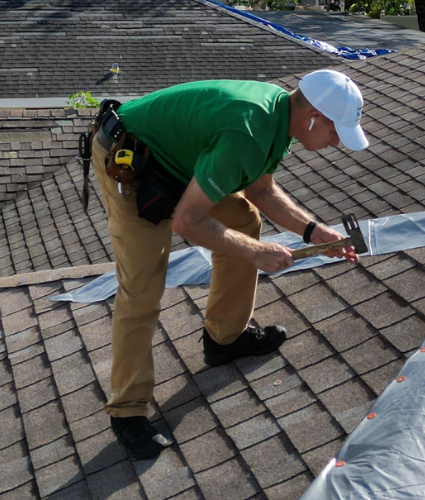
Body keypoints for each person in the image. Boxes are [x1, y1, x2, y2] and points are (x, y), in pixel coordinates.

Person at [86, 69, 369, 459]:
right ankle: (127, 412)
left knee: (244, 219)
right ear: (313, 118)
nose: (337, 142)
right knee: (143, 285)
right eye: (336, 132)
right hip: (133, 159)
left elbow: (261, 189)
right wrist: (255, 252)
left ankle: (226, 338)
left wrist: (312, 231)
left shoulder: (280, 115)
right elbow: (187, 221)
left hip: (181, 162)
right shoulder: (248, 131)